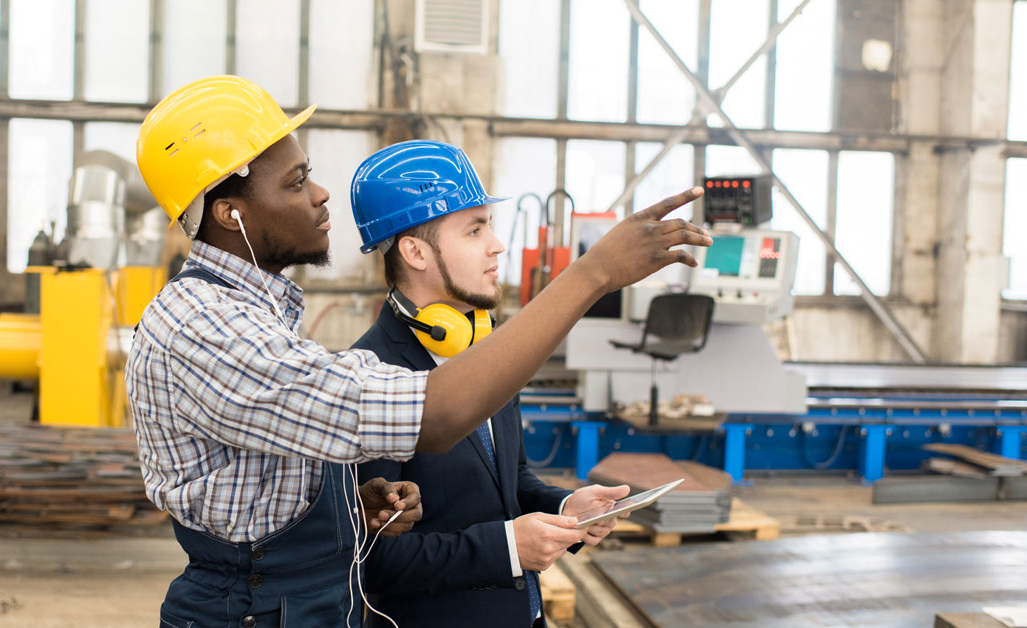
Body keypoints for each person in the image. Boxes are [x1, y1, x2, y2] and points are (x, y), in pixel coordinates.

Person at [127, 75, 711, 628]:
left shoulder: (265, 320)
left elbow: (261, 484)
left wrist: (352, 505)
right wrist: (592, 275)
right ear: (233, 213)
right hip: (256, 610)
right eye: (296, 182)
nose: (319, 193)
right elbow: (432, 416)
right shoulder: (207, 327)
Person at [351, 140, 631, 628]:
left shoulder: (488, 351)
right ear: (415, 251)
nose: (496, 245)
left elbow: (512, 479)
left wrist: (566, 506)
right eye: (474, 229)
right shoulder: (369, 375)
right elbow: (374, 562)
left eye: (490, 226)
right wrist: (506, 548)